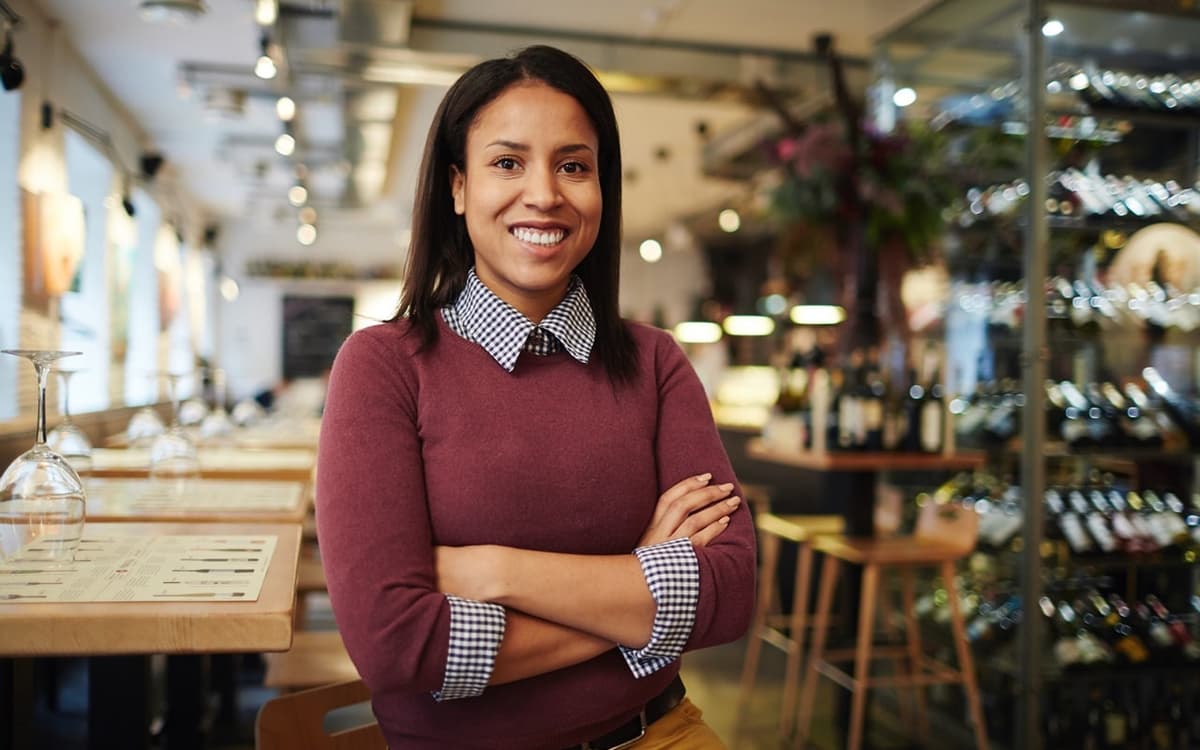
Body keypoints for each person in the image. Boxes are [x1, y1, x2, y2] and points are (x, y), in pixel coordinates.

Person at [316, 44, 755, 750]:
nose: (545, 193)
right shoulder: (383, 366)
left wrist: (494, 571)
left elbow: (729, 593)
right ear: (457, 188)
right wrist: (638, 590)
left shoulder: (655, 362)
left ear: (601, 190)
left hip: (663, 734)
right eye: (508, 162)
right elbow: (397, 648)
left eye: (574, 165)